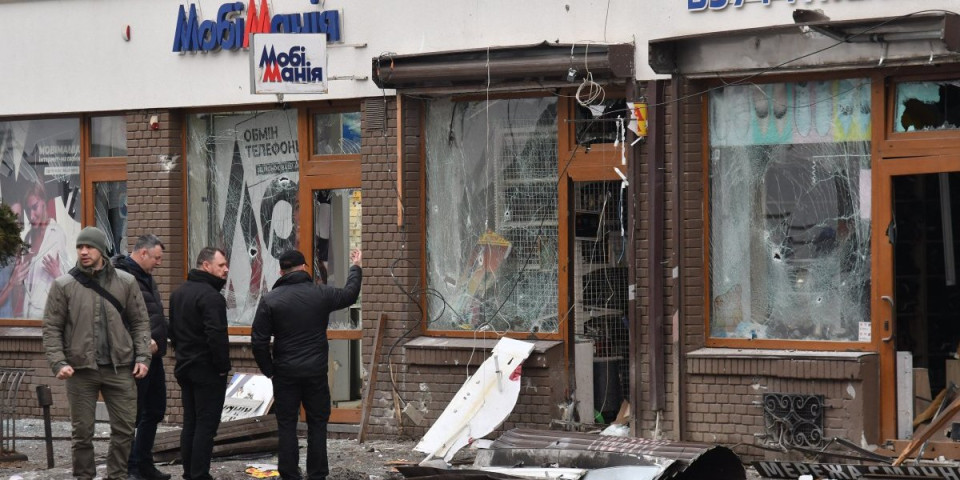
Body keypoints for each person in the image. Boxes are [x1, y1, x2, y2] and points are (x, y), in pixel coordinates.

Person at [41, 226, 151, 480]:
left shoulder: (126, 282)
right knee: (82, 434)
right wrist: (58, 362)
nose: (84, 251)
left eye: (89, 247)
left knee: (124, 430)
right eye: (80, 247)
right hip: (80, 370)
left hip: (120, 367)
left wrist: (143, 357)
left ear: (101, 250)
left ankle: (117, 476)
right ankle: (84, 477)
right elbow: (51, 327)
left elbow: (140, 322)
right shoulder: (64, 285)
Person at [252, 248, 362, 480]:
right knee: (318, 423)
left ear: (281, 271)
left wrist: (270, 370)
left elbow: (259, 341)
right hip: (315, 372)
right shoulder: (320, 294)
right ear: (304, 267)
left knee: (287, 424)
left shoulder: (270, 300)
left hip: (285, 373)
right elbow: (349, 295)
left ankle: (290, 474)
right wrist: (356, 268)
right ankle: (317, 473)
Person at [168, 247, 231, 480]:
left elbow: (172, 331)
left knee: (191, 422)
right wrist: (223, 366)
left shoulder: (178, 293)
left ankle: (189, 472)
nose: (226, 269)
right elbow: (216, 335)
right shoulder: (212, 297)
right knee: (206, 425)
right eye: (221, 265)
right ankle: (199, 474)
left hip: (185, 366)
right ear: (206, 265)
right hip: (207, 370)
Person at [112, 235, 170, 480]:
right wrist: (142, 344)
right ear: (143, 253)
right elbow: (117, 318)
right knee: (132, 415)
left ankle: (143, 463)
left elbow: (151, 313)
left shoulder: (146, 277)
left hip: (154, 357)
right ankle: (129, 467)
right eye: (156, 258)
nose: (158, 263)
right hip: (135, 359)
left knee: (155, 410)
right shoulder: (121, 277)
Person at [22, 182, 73, 317]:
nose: (31, 215)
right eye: (28, 210)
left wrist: (56, 272)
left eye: (34, 207)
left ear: (44, 201)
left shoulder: (57, 234)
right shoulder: (28, 237)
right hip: (27, 314)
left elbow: (68, 279)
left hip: (48, 314)